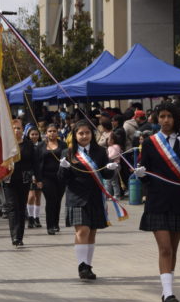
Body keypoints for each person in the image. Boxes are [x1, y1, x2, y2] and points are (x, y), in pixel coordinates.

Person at [134, 102, 180, 302]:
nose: (165, 120)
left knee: (173, 249)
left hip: (179, 200)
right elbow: (144, 170)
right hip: (158, 201)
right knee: (165, 249)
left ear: (175, 118)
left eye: (169, 116)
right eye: (161, 116)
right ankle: (169, 294)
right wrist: (141, 173)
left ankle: (166, 291)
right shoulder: (151, 143)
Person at [58, 120, 118, 280]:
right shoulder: (68, 153)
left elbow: (105, 174)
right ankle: (82, 265)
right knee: (82, 230)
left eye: (87, 133)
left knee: (92, 232)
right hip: (76, 197)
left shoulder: (100, 152)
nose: (84, 136)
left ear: (92, 134)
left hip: (95, 196)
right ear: (75, 135)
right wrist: (63, 168)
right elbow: (62, 178)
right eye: (80, 133)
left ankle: (88, 267)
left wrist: (111, 170)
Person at [3, 118, 37, 247]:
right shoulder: (6, 144)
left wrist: (37, 177)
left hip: (24, 179)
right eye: (14, 128)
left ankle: (20, 236)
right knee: (13, 207)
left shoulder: (28, 145)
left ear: (22, 130)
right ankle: (15, 236)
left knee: (21, 208)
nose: (16, 131)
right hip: (9, 180)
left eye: (18, 128)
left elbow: (34, 162)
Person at [35, 123, 67, 235]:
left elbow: (67, 159)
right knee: (50, 200)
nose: (52, 133)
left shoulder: (63, 145)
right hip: (46, 177)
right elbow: (36, 164)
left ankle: (56, 224)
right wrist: (37, 179)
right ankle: (50, 226)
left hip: (60, 177)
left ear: (57, 133)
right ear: (46, 133)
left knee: (58, 201)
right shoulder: (40, 146)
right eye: (50, 131)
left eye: (54, 131)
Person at [25, 125, 43, 229]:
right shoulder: (26, 145)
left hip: (40, 174)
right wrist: (32, 174)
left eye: (36, 134)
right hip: (30, 174)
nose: (34, 136)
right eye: (32, 134)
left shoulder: (42, 145)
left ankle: (37, 218)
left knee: (38, 196)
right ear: (28, 135)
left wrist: (39, 176)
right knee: (31, 196)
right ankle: (30, 217)